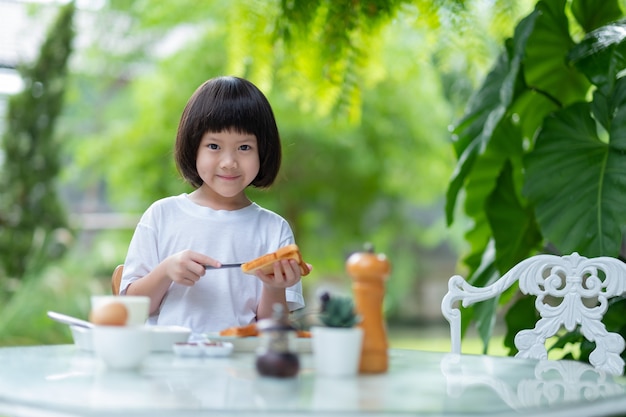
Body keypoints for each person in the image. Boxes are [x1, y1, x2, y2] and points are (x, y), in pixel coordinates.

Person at [119, 76, 308, 335]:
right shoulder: (162, 215)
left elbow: (272, 330)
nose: (229, 162)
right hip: (170, 367)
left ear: (263, 151)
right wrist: (165, 271)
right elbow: (131, 309)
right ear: (193, 147)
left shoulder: (273, 229)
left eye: (244, 147)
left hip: (241, 368)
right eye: (214, 146)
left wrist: (275, 286)